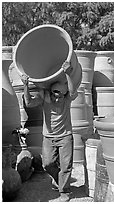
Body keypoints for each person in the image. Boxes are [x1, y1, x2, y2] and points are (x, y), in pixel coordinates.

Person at [21, 61, 78, 202]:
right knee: (47, 164)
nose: (57, 98)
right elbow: (28, 103)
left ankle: (64, 191)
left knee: (66, 165)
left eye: (61, 95)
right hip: (48, 137)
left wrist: (68, 74)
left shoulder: (67, 100)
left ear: (64, 95)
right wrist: (25, 85)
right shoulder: (44, 99)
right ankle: (59, 180)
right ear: (50, 93)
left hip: (65, 136)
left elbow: (73, 92)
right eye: (55, 94)